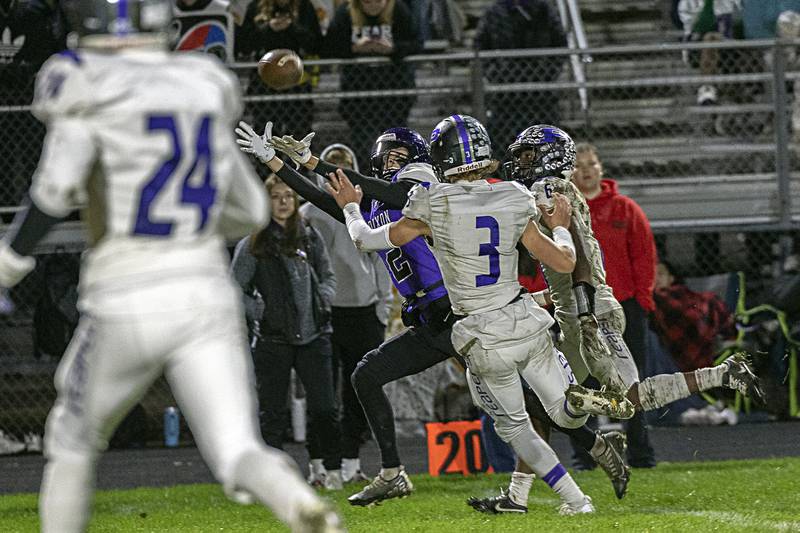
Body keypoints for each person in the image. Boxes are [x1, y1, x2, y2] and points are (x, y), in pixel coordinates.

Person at [0, 2, 341, 531]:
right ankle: (298, 501)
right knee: (236, 449)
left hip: (126, 293)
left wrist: (8, 263)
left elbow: (52, 192)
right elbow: (250, 210)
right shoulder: (199, 83)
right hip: (205, 291)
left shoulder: (85, 81)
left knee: (72, 438)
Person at [235, 119, 630, 509]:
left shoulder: (425, 189)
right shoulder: (490, 194)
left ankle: (576, 478)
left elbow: (377, 209)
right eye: (387, 156)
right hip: (472, 317)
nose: (393, 162)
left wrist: (315, 164)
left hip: (461, 317)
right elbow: (335, 201)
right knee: (540, 402)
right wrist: (277, 162)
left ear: (429, 158)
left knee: (519, 415)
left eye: (400, 156)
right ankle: (587, 438)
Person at [527, 134, 762, 469]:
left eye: (529, 155)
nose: (522, 162)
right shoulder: (567, 192)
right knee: (590, 398)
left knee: (579, 398)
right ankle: (723, 374)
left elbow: (579, 254)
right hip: (589, 306)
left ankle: (581, 464)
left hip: (588, 311)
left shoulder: (554, 192)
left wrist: (586, 306)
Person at [231, 174, 344, 490]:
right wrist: (259, 311)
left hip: (315, 335)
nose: (283, 202)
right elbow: (234, 289)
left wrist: (323, 298)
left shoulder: (309, 235)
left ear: (296, 203)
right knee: (272, 414)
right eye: (276, 196)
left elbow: (328, 274)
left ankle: (331, 470)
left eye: (289, 197)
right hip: (273, 340)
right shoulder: (253, 243)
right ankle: (272, 479)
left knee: (324, 408)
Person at [299, 143, 393, 486]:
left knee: (359, 392)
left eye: (343, 166)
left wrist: (382, 306)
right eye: (330, 167)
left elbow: (380, 262)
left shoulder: (364, 210)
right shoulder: (308, 212)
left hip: (363, 311)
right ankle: (320, 464)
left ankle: (352, 462)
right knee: (322, 395)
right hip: (326, 313)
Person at [324, 0, 421, 163]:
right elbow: (328, 46)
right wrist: (354, 49)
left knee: (396, 147)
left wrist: (392, 50)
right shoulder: (345, 12)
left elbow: (416, 42)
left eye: (378, 1)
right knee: (364, 147)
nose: (373, 6)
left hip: (393, 91)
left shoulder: (398, 9)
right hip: (358, 94)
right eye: (368, 1)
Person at [474, 0, 567, 154]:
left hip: (541, 92)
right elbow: (480, 45)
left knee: (545, 143)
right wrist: (495, 74)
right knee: (503, 143)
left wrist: (548, 73)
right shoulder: (495, 11)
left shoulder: (544, 10)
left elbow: (560, 42)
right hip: (505, 93)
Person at [235, 0, 322, 138]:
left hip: (296, 81)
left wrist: (292, 28)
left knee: (299, 132)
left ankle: (297, 159)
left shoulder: (304, 6)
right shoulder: (256, 6)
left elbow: (317, 44)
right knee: (266, 133)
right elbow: (244, 45)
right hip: (264, 82)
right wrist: (268, 28)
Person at [652, 261, 737, 372]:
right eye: (653, 274)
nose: (656, 278)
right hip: (687, 348)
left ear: (671, 278)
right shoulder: (657, 300)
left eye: (661, 273)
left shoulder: (684, 295)